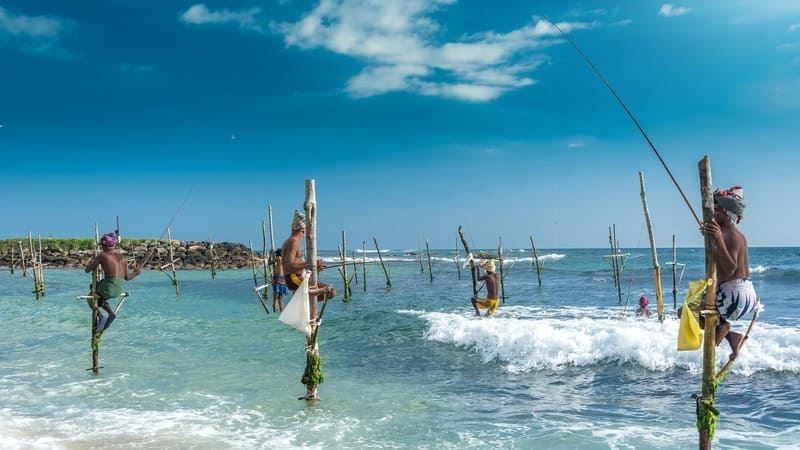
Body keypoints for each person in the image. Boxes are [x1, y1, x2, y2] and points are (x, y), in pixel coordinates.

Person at [700, 185, 758, 359]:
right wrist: (712, 238)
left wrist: (717, 238)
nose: (712, 215)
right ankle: (732, 337)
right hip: (746, 295)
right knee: (697, 307)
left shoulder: (728, 235)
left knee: (686, 311)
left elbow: (730, 267)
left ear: (726, 213)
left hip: (733, 297)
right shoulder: (735, 234)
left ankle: (724, 329)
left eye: (716, 210)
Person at [84, 232, 142, 333]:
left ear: (104, 245)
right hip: (119, 289)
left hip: (108, 288)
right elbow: (128, 278)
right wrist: (136, 273)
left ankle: (101, 317)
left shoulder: (103, 255)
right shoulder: (122, 258)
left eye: (102, 246)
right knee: (99, 295)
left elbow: (88, 270)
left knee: (90, 298)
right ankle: (111, 313)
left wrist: (91, 263)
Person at [281, 210, 336, 313]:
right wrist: (311, 264)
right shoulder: (293, 241)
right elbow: (288, 266)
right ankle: (301, 306)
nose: (304, 234)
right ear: (302, 229)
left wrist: (312, 266)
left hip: (295, 278)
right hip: (294, 279)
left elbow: (294, 263)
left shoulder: (291, 241)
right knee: (331, 291)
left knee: (329, 291)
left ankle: (303, 306)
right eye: (305, 231)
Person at [272, 248, 287, 313]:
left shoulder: (278, 258)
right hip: (283, 279)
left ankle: (274, 312)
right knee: (280, 299)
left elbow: (269, 263)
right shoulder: (284, 260)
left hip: (278, 279)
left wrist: (270, 255)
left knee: (275, 299)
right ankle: (282, 313)